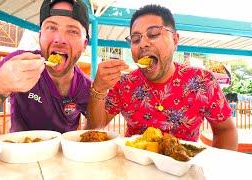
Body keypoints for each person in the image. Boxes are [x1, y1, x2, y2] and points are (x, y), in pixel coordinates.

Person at [87, 4, 238, 150]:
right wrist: (98, 89)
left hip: (182, 168)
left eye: (153, 34)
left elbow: (225, 131)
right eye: (135, 39)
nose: (143, 44)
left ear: (175, 40)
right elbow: (96, 128)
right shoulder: (124, 83)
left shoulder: (202, 81)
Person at [0, 0, 91, 133]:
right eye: (51, 27)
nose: (59, 39)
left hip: (64, 157)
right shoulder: (18, 62)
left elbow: (97, 125)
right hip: (18, 154)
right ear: (40, 35)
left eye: (73, 31)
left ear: (84, 44)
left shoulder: (86, 86)